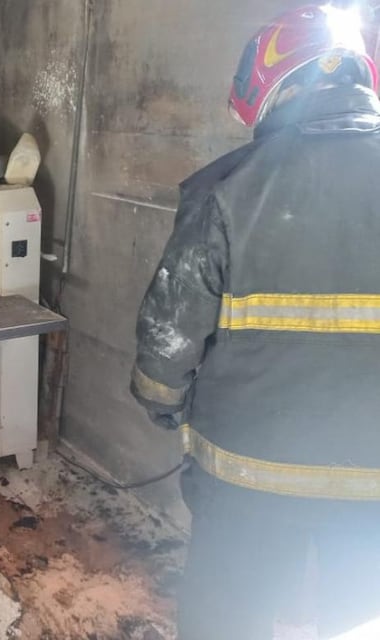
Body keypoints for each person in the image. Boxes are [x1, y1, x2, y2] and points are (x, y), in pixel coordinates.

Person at [131, 5, 380, 638]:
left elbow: (168, 342)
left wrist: (161, 402)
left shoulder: (225, 191)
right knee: (357, 620)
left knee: (228, 619)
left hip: (248, 479)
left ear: (269, 87)